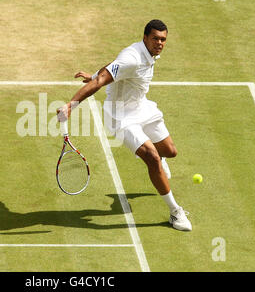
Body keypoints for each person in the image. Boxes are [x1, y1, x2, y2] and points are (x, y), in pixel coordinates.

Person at [57, 19, 192, 231]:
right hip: (121, 116)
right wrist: (72, 104)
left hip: (142, 107)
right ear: (145, 37)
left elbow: (111, 67)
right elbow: (103, 80)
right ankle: (176, 212)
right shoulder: (132, 57)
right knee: (152, 158)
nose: (159, 43)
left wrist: (93, 74)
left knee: (170, 151)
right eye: (155, 38)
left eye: (163, 39)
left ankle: (157, 158)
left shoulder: (148, 54)